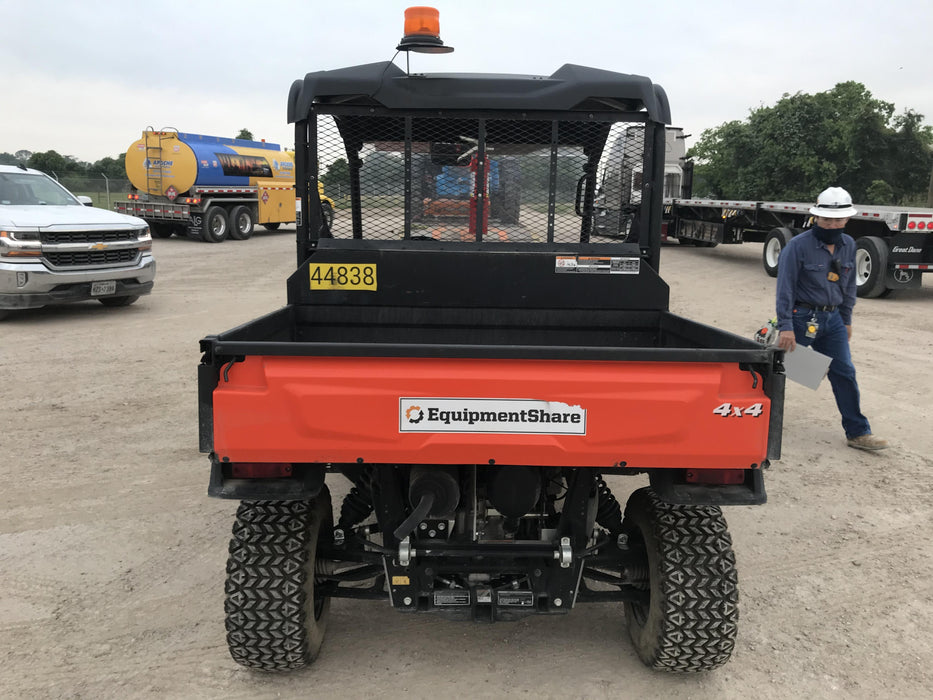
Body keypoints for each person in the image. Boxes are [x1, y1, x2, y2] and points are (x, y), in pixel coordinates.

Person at [775, 186, 889, 451]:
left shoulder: (848, 245)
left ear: (847, 219)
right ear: (816, 217)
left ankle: (858, 433)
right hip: (800, 317)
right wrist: (786, 326)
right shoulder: (797, 246)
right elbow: (785, 288)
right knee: (775, 369)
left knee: (844, 372)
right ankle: (756, 422)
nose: (832, 224)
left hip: (833, 319)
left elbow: (848, 286)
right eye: (827, 219)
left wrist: (846, 319)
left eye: (838, 220)